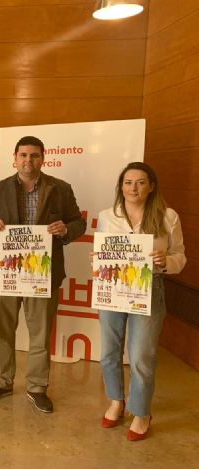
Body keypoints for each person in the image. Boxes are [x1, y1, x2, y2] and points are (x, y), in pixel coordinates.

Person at [0, 136, 86, 413]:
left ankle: (37, 388)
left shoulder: (60, 188)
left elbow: (78, 222)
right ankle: (2, 382)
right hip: (4, 273)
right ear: (14, 158)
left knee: (40, 334)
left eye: (34, 155)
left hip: (43, 274)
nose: (28, 160)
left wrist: (66, 230)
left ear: (43, 158)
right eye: (23, 155)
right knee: (2, 331)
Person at [96, 162, 185, 441]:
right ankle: (116, 401)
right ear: (120, 187)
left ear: (151, 187)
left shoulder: (167, 216)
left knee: (141, 356)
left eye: (141, 182)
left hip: (149, 288)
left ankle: (142, 411)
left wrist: (166, 260)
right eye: (128, 182)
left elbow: (180, 257)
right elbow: (102, 252)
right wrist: (98, 258)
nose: (133, 188)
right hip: (113, 287)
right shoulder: (107, 216)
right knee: (109, 352)